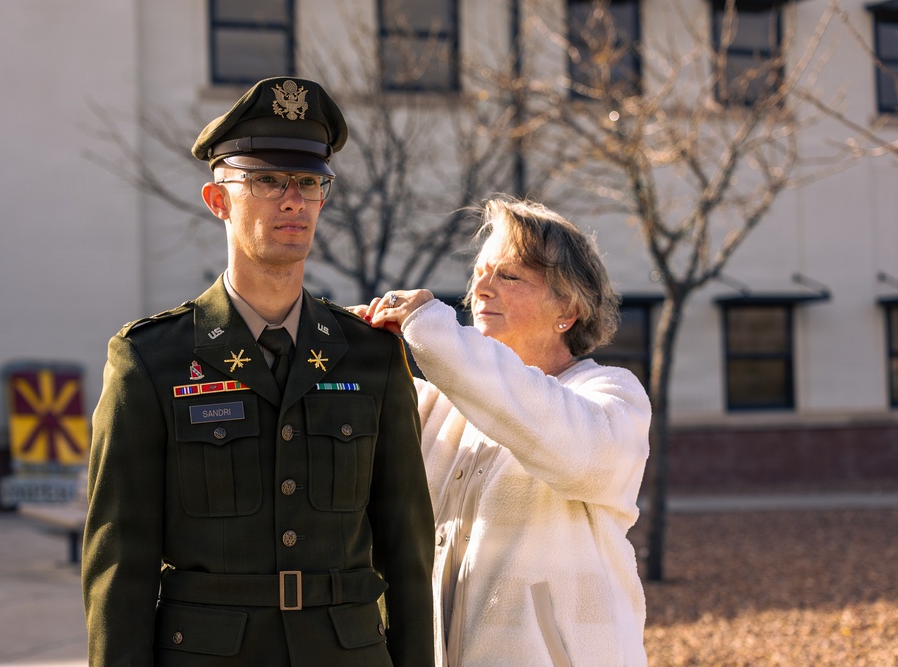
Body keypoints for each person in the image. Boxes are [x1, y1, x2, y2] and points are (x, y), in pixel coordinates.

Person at [81, 76, 435, 667]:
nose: (292, 200)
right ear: (218, 200)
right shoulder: (152, 360)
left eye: (308, 182)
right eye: (266, 181)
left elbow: (406, 548)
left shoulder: (369, 355)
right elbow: (122, 561)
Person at [360, 196, 651, 667]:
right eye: (479, 273)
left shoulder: (612, 396)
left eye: (509, 275)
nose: (482, 288)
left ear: (569, 308)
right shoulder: (445, 405)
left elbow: (566, 443)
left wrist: (430, 329)